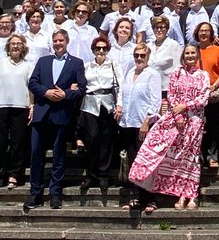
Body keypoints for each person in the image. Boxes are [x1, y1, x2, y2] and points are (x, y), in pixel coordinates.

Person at [128, 43, 211, 210]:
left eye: (192, 53)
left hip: (195, 120)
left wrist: (185, 106)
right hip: (177, 121)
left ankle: (191, 195)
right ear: (183, 56)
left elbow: (204, 98)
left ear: (197, 56)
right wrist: (178, 114)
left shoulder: (203, 75)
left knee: (192, 158)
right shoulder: (176, 73)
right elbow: (171, 96)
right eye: (187, 53)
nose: (189, 56)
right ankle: (180, 195)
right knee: (178, 158)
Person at [24, 29, 87, 210]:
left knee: (59, 156)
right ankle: (35, 193)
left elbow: (81, 88)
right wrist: (46, 92)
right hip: (42, 113)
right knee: (36, 154)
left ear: (67, 42)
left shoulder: (76, 63)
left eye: (61, 40)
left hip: (61, 115)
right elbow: (33, 82)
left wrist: (64, 94)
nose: (58, 43)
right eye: (55, 41)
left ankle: (55, 194)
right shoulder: (43, 61)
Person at [117, 41, 163, 212]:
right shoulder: (129, 73)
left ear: (148, 57)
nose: (139, 58)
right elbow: (122, 93)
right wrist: (119, 106)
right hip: (128, 123)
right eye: (136, 55)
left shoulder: (152, 74)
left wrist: (146, 121)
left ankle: (150, 198)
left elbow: (155, 100)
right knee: (132, 160)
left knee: (145, 161)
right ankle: (135, 195)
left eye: (142, 55)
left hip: (143, 124)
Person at [0, 34, 34, 189]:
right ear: (8, 47)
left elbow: (31, 88)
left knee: (17, 142)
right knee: (0, 142)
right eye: (12, 43)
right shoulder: (0, 64)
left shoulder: (28, 65)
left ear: (23, 47)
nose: (15, 46)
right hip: (0, 106)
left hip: (21, 106)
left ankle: (14, 175)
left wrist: (32, 106)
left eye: (19, 44)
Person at [80, 35, 122, 196]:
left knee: (106, 139)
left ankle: (103, 174)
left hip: (107, 104)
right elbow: (81, 84)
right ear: (93, 50)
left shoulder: (113, 65)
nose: (101, 51)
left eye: (104, 48)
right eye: (98, 48)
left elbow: (121, 85)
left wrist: (119, 104)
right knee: (92, 138)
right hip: (90, 104)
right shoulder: (87, 66)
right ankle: (91, 174)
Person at [195, 22, 219, 168]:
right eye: (201, 30)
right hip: (196, 95)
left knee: (214, 126)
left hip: (213, 93)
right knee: (197, 127)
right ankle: (199, 157)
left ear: (211, 33)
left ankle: (212, 156)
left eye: (206, 31)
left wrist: (214, 86)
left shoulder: (217, 50)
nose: (203, 33)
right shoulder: (193, 50)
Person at [146, 15, 182, 92]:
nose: (159, 30)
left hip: (166, 89)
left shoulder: (173, 45)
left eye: (162, 27)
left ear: (167, 29)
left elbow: (178, 69)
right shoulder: (148, 46)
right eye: (156, 27)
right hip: (149, 88)